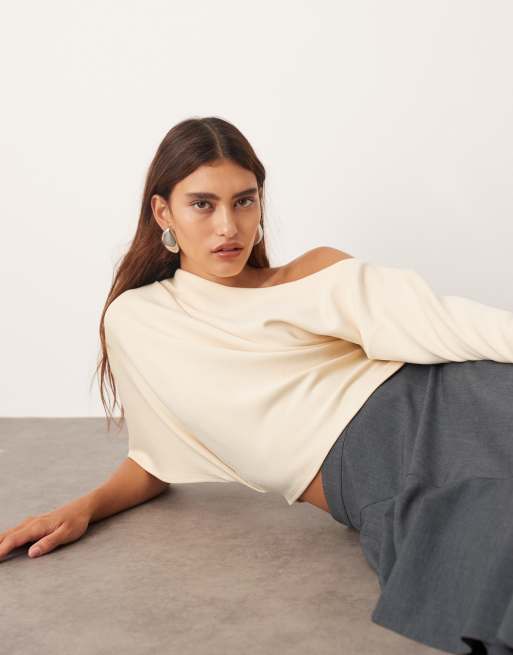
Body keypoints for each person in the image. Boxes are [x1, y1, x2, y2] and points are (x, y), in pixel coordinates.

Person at [2, 116, 513, 655]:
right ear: (163, 212)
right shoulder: (138, 320)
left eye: (244, 201)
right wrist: (82, 508)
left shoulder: (314, 273)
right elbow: (157, 455)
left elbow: (452, 324)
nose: (228, 226)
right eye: (203, 204)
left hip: (459, 400)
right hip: (382, 471)